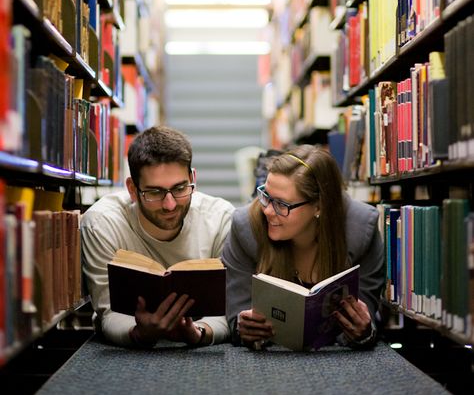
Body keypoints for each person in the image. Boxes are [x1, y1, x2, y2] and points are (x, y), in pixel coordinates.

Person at [81, 125, 234, 349]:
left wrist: (197, 333)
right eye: (154, 192)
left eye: (180, 188)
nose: (170, 204)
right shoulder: (102, 223)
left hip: (202, 353)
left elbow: (228, 312)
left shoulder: (220, 218)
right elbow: (108, 312)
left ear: (193, 178)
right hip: (127, 357)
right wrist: (141, 333)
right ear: (132, 189)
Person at [222, 145, 384, 349]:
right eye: (266, 196)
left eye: (281, 204)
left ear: (319, 206)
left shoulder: (361, 232)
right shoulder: (247, 229)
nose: (268, 211)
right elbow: (237, 314)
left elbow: (367, 319)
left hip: (339, 364)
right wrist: (244, 329)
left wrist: (362, 332)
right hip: (268, 364)